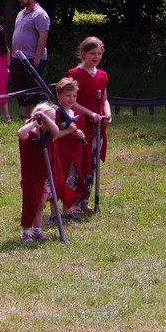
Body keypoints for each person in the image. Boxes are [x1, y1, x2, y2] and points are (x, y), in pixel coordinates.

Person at [67, 36, 111, 213]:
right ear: (83, 54)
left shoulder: (102, 75)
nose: (96, 57)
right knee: (80, 161)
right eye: (93, 53)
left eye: (99, 53)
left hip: (97, 126)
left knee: (92, 163)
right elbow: (71, 102)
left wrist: (107, 113)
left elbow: (105, 100)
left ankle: (85, 199)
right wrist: (90, 113)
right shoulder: (75, 74)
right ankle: (73, 201)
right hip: (81, 124)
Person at [17, 103, 61, 242]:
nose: (52, 121)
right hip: (32, 175)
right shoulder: (30, 134)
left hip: (45, 175)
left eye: (54, 119)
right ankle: (26, 231)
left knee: (41, 204)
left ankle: (37, 230)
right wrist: (34, 123)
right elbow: (20, 133)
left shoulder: (50, 134)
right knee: (31, 203)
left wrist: (47, 119)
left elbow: (56, 131)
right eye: (50, 119)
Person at [9, 0, 50, 118]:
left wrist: (37, 57)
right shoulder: (21, 13)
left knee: (35, 87)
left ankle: (42, 114)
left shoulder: (40, 14)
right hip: (18, 58)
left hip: (32, 57)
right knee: (20, 86)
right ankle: (25, 113)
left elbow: (43, 36)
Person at [52, 78, 89, 220]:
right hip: (60, 155)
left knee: (71, 183)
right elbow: (53, 136)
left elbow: (81, 132)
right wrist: (67, 131)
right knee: (57, 183)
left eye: (74, 96)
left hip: (74, 155)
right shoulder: (55, 115)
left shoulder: (78, 116)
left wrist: (81, 134)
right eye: (68, 95)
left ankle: (68, 211)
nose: (72, 99)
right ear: (59, 96)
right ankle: (54, 214)